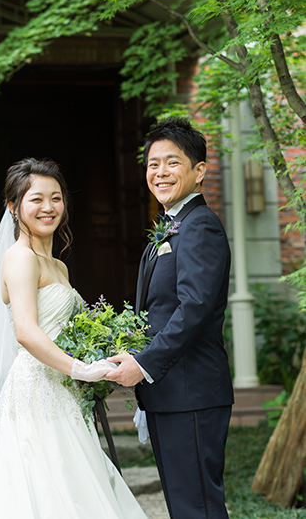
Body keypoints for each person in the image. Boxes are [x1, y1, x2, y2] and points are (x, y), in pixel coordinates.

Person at [0, 158, 147, 519]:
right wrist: (80, 369)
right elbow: (25, 332)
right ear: (14, 207)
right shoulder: (20, 258)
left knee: (75, 480)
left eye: (56, 198)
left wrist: (99, 351)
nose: (48, 207)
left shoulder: (58, 266)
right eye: (36, 199)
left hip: (63, 388)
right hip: (35, 388)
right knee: (43, 484)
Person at [107, 118, 234, 519]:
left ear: (199, 171)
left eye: (172, 162)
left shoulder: (200, 227)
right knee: (184, 506)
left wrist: (143, 364)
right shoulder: (170, 227)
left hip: (191, 391)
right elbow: (157, 312)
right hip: (169, 392)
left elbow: (193, 308)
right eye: (153, 164)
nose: (160, 172)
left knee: (197, 506)